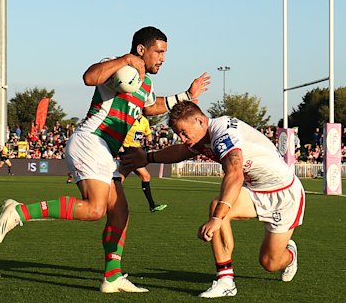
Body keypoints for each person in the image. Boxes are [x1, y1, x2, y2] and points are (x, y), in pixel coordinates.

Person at [0, 26, 210, 293]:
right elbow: (89, 77)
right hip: (91, 140)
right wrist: (125, 60)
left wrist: (187, 95)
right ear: (142, 49)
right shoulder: (119, 68)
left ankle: (112, 276)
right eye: (159, 51)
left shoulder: (146, 83)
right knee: (95, 209)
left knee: (120, 212)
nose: (163, 58)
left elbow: (151, 106)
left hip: (106, 150)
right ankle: (19, 212)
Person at [121, 101, 305, 298]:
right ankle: (226, 280)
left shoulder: (223, 134)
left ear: (200, 120)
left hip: (284, 195)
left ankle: (291, 254)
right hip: (255, 190)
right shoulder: (202, 136)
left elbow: (235, 173)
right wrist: (149, 157)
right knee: (217, 206)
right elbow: (181, 152)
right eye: (178, 134)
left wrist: (217, 219)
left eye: (184, 132)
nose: (182, 138)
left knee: (270, 263)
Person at [119, 114, 167, 212]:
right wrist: (119, 145)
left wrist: (150, 138)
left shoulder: (144, 120)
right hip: (128, 150)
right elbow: (118, 132)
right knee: (144, 177)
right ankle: (152, 205)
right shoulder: (128, 118)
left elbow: (147, 133)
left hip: (136, 150)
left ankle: (104, 200)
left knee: (119, 180)